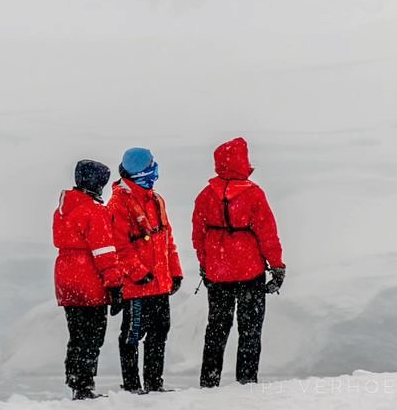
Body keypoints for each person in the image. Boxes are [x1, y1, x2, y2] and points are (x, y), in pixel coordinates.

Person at [192, 137, 285, 387]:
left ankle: (209, 383)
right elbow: (267, 234)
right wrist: (277, 267)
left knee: (216, 329)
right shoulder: (253, 194)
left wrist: (205, 263)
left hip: (218, 274)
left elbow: (197, 235)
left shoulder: (205, 195)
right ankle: (246, 381)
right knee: (250, 331)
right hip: (250, 273)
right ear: (241, 162)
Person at [106, 147, 183, 394]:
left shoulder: (156, 200)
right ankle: (131, 386)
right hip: (136, 287)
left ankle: (154, 383)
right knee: (132, 336)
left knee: (160, 332)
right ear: (141, 171)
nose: (156, 171)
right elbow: (119, 247)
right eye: (152, 166)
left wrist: (175, 271)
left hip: (160, 283)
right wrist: (139, 273)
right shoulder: (118, 204)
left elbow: (167, 239)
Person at [53, 159, 125, 401]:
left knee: (76, 333)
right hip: (89, 279)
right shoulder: (95, 212)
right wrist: (115, 285)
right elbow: (104, 253)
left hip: (66, 278)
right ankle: (85, 385)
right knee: (93, 334)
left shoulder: (62, 210)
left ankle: (75, 380)